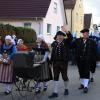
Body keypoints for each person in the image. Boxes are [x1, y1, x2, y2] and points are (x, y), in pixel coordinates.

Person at [71, 29, 97, 93]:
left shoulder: (92, 41)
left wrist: (94, 60)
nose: (86, 34)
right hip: (79, 60)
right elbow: (71, 46)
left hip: (88, 60)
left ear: (88, 34)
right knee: (81, 72)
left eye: (87, 33)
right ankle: (82, 84)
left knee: (86, 72)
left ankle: (86, 86)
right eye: (85, 33)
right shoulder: (77, 40)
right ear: (83, 34)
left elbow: (95, 51)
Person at [48, 31, 73, 98]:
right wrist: (50, 62)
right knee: (55, 77)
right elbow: (52, 54)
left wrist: (67, 32)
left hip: (64, 63)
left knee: (64, 76)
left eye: (61, 35)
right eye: (58, 35)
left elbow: (70, 38)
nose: (59, 37)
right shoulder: (54, 44)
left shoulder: (66, 43)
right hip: (55, 63)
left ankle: (66, 89)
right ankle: (55, 92)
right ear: (56, 37)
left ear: (63, 37)